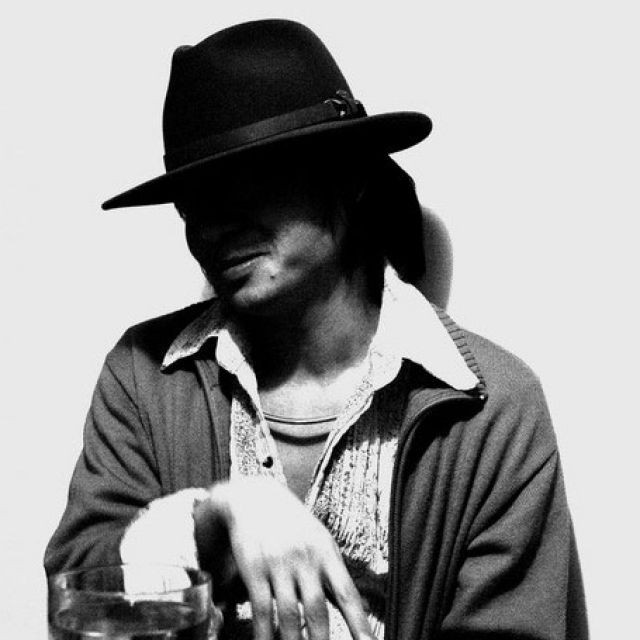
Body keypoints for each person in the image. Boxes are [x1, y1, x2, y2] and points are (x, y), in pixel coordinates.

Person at [44, 19, 588, 640]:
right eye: (192, 202)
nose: (216, 222)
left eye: (250, 177)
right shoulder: (143, 376)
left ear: (348, 177)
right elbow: (79, 595)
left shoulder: (493, 409)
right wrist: (211, 524)